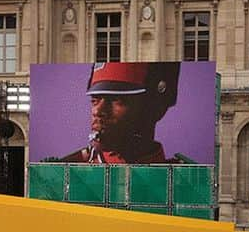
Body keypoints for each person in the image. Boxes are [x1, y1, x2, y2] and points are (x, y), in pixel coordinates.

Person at [48, 62, 194, 165]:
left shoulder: (186, 180)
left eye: (117, 100)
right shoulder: (64, 175)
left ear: (156, 107)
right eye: (95, 100)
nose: (98, 111)